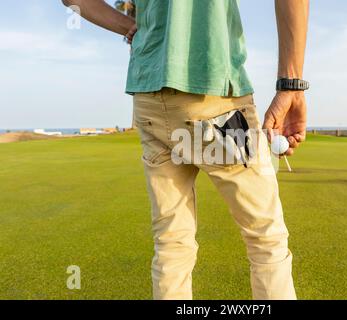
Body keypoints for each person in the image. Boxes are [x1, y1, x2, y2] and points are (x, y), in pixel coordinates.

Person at [62, 0, 309, 300]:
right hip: (215, 92)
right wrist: (290, 85)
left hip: (149, 95)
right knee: (266, 240)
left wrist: (129, 27)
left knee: (171, 244)